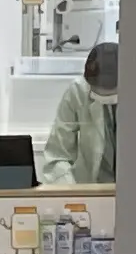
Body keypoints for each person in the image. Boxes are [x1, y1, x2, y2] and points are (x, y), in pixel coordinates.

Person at [41, 41, 118, 186]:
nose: (104, 99)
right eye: (97, 94)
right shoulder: (78, 92)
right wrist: (71, 191)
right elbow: (58, 156)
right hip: (89, 188)